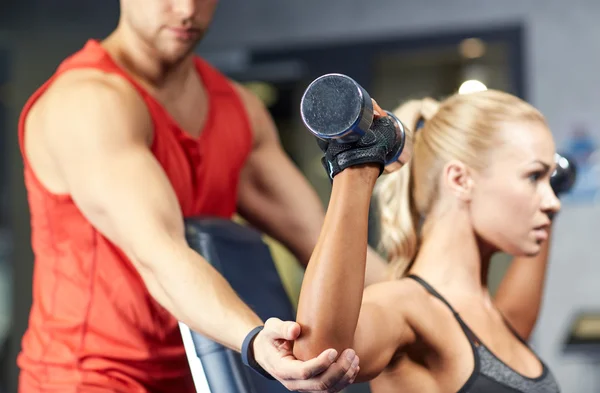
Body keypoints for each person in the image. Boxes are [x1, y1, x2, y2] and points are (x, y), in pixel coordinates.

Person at [16, 0, 393, 391]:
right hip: (84, 378)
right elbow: (160, 255)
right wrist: (254, 340)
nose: (186, 10)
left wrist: (437, 299)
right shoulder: (86, 103)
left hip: (196, 376)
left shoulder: (237, 110)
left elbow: (323, 240)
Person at [293, 90, 563, 393]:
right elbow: (317, 356)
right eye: (534, 176)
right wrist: (355, 164)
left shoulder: (494, 315)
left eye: (551, 181)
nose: (553, 202)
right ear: (460, 180)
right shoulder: (404, 309)